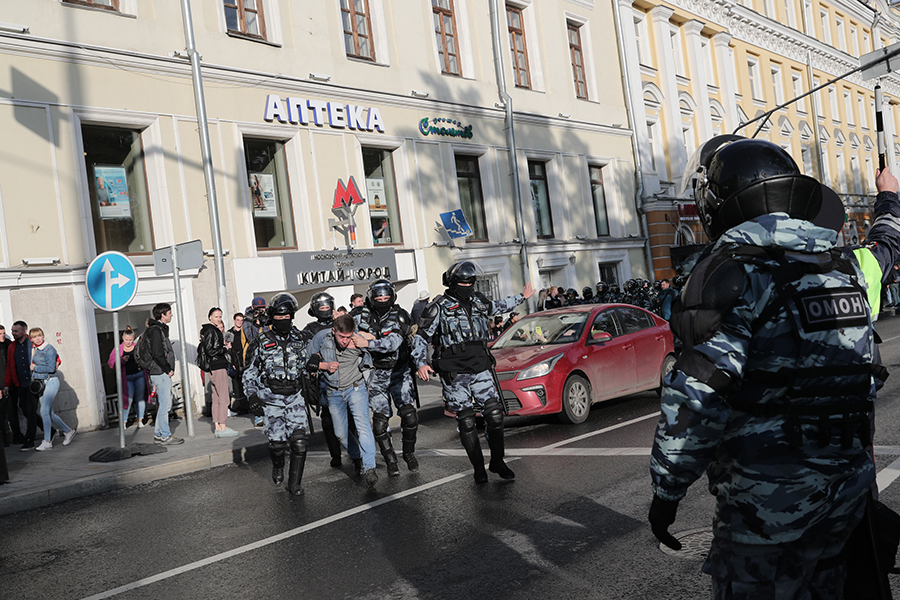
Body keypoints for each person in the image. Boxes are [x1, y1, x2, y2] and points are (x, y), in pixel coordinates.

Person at [648, 136, 900, 598]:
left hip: (767, 511)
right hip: (848, 498)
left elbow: (697, 398)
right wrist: (890, 198)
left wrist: (666, 493)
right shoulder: (843, 266)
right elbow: (886, 245)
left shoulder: (727, 273)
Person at [412, 261, 534, 483]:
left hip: (480, 366)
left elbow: (498, 306)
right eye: (462, 282)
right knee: (466, 420)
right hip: (454, 371)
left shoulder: (479, 301)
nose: (467, 285)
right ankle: (478, 468)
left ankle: (497, 461)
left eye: (470, 281)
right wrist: (420, 362)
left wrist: (522, 297)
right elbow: (421, 336)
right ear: (451, 282)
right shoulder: (438, 307)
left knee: (495, 414)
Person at [243, 293, 313, 495]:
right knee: (277, 444)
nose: (284, 320)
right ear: (272, 318)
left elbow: (311, 362)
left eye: (287, 317)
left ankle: (295, 484)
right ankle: (278, 465)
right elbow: (249, 371)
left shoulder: (301, 339)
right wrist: (252, 395)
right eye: (279, 317)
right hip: (271, 399)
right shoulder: (260, 341)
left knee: (300, 441)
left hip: (295, 397)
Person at [353, 279, 420, 476]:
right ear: (370, 298)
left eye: (386, 296)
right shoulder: (360, 315)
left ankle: (409, 453)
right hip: (376, 372)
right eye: (378, 297)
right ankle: (390, 459)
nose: (382, 300)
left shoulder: (400, 315)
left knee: (409, 415)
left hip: (400, 372)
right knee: (380, 421)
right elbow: (343, 331)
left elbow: (393, 343)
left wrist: (368, 342)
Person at [308, 314, 378, 489]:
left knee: (363, 426)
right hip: (333, 392)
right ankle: (357, 457)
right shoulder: (322, 338)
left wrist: (366, 338)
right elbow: (307, 359)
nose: (345, 341)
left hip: (356, 388)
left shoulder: (357, 340)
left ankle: (370, 468)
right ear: (334, 331)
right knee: (340, 433)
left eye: (348, 337)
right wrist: (324, 365)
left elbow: (374, 339)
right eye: (341, 337)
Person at [301, 292, 360, 470]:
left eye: (328, 306)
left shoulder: (340, 322)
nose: (325, 310)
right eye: (322, 307)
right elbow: (307, 354)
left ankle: (355, 453)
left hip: (347, 376)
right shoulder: (309, 329)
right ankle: (335, 454)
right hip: (323, 380)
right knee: (327, 419)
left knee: (350, 417)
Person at [29, 327, 75, 451]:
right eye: (34, 337)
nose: (37, 338)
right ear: (31, 339)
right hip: (41, 383)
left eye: (39, 335)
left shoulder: (49, 348)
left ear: (43, 335)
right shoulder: (35, 350)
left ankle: (47, 441)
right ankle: (68, 430)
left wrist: (35, 368)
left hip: (51, 381)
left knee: (44, 411)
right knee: (49, 413)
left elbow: (51, 368)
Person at [144, 303, 183, 445]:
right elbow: (157, 353)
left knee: (164, 405)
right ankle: (165, 435)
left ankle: (159, 435)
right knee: (165, 405)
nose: (171, 315)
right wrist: (168, 368)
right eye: (169, 312)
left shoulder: (158, 329)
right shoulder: (156, 330)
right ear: (163, 314)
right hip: (160, 372)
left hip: (159, 371)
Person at [200, 308, 238, 438]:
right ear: (210, 317)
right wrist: (224, 348)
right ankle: (223, 427)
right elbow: (211, 351)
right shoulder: (212, 331)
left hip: (212, 367)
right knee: (223, 397)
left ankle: (217, 426)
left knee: (216, 398)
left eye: (220, 316)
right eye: (216, 316)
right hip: (218, 366)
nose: (218, 319)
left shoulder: (207, 331)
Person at [4, 321, 38, 450]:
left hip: (34, 383)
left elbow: (49, 354)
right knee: (25, 409)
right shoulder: (12, 347)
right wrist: (7, 384)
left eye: (16, 331)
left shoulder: (33, 343)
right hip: (20, 384)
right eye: (12, 331)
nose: (13, 333)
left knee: (30, 410)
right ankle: (50, 431)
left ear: (24, 331)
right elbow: (9, 366)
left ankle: (30, 439)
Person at [107, 326, 147, 427]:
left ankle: (140, 420)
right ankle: (124, 422)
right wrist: (122, 360)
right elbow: (111, 363)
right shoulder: (118, 349)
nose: (128, 342)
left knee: (140, 398)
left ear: (133, 339)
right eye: (126, 340)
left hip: (139, 375)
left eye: (130, 340)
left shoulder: (137, 347)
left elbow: (145, 359)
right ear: (123, 338)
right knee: (127, 399)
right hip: (127, 378)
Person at [227, 313, 250, 414]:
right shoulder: (230, 333)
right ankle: (240, 406)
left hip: (244, 360)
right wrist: (231, 362)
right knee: (237, 385)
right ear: (234, 320)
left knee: (246, 383)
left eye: (241, 320)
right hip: (235, 361)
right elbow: (228, 350)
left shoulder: (245, 332)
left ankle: (247, 406)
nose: (239, 322)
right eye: (237, 320)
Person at [0, 325, 14, 446]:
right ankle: (5, 439)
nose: (2, 336)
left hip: (11, 384)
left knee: (13, 411)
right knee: (2, 414)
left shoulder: (9, 345)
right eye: (0, 334)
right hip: (1, 385)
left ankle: (16, 435)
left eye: (4, 333)